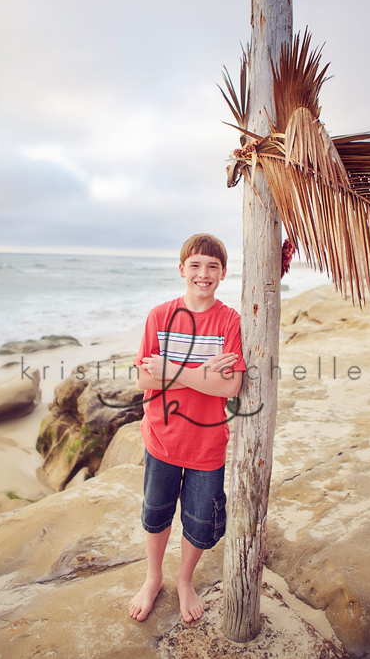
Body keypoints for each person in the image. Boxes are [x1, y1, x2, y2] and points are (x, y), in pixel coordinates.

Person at [128, 233, 246, 623]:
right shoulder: (160, 316)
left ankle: (183, 580)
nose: (203, 273)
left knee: (198, 521)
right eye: (195, 265)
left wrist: (172, 371)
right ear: (182, 270)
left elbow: (230, 385)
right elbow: (145, 381)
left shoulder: (229, 321)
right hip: (161, 438)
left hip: (207, 444)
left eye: (212, 266)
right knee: (157, 513)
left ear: (224, 273)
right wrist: (200, 374)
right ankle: (153, 577)